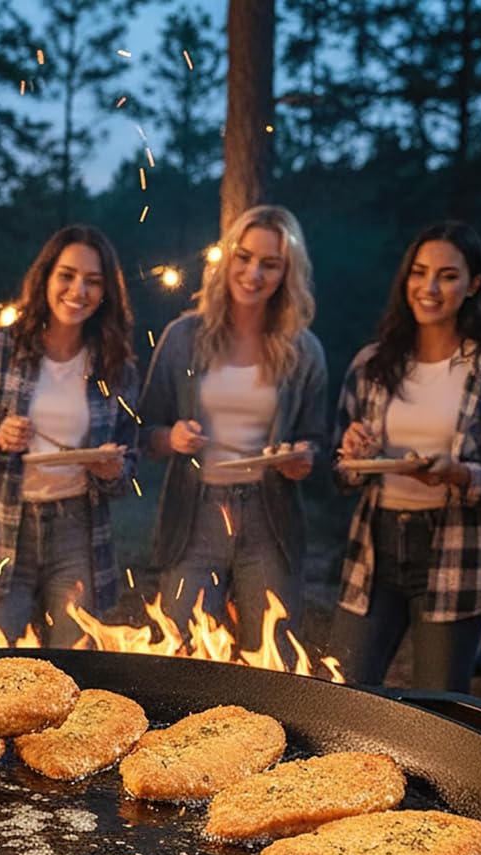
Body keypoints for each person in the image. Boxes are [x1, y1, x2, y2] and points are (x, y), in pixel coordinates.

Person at [328, 221, 481, 691]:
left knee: (439, 707)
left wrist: (460, 475)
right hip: (374, 548)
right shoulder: (372, 364)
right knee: (344, 690)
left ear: (474, 284)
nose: (430, 288)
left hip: (458, 551)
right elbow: (341, 472)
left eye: (447, 275)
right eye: (419, 273)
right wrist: (355, 458)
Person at [138, 204, 327, 647]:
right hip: (195, 511)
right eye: (244, 257)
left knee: (273, 650)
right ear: (227, 259)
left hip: (270, 514)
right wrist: (174, 438)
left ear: (288, 273)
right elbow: (144, 431)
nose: (253, 273)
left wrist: (302, 458)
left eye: (270, 264)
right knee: (180, 644)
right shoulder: (183, 338)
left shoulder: (303, 349)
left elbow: (318, 440)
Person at [0, 224, 139, 646]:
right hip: (0, 526)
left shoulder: (116, 364)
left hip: (78, 532)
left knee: (78, 665)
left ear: (107, 291)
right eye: (67, 275)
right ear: (46, 277)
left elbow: (129, 465)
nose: (78, 289)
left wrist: (110, 469)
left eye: (93, 280)